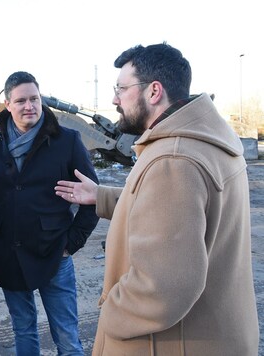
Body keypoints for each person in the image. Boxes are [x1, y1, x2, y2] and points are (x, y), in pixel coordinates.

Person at [55, 43, 259, 355]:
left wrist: (111, 311)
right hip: (216, 335)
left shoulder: (174, 160)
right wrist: (101, 196)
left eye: (121, 88)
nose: (114, 98)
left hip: (176, 344)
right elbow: (171, 206)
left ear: (153, 91)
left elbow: (162, 290)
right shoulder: (205, 142)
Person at [0, 71, 100, 355]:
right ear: (8, 105)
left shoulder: (67, 141)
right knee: (23, 330)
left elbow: (94, 198)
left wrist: (71, 244)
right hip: (8, 256)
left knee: (68, 339)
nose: (29, 106)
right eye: (21, 100)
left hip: (54, 254)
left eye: (34, 98)